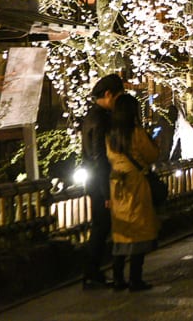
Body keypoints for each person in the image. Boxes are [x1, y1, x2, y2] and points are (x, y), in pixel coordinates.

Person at [106, 93, 160, 292]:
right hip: (136, 184)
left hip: (117, 185)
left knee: (121, 232)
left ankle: (118, 277)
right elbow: (152, 154)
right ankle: (135, 279)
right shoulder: (136, 133)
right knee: (139, 230)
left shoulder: (110, 135)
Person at [80, 73, 124, 289]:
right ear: (108, 95)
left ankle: (92, 271)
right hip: (100, 182)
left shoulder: (91, 116)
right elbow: (99, 156)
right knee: (101, 227)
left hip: (95, 180)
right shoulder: (101, 119)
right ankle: (91, 271)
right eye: (118, 97)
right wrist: (106, 191)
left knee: (100, 226)